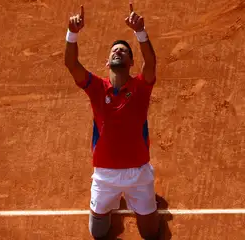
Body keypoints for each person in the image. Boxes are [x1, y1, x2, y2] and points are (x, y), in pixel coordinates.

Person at [64, 3, 159, 240]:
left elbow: (151, 63)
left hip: (138, 173)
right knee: (98, 233)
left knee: (150, 234)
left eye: (123, 51)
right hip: (105, 175)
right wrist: (72, 33)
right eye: (114, 50)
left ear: (131, 62)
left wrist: (140, 32)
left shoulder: (140, 87)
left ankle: (133, 201)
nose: (118, 51)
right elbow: (71, 64)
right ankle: (111, 204)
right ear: (107, 62)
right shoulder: (96, 87)